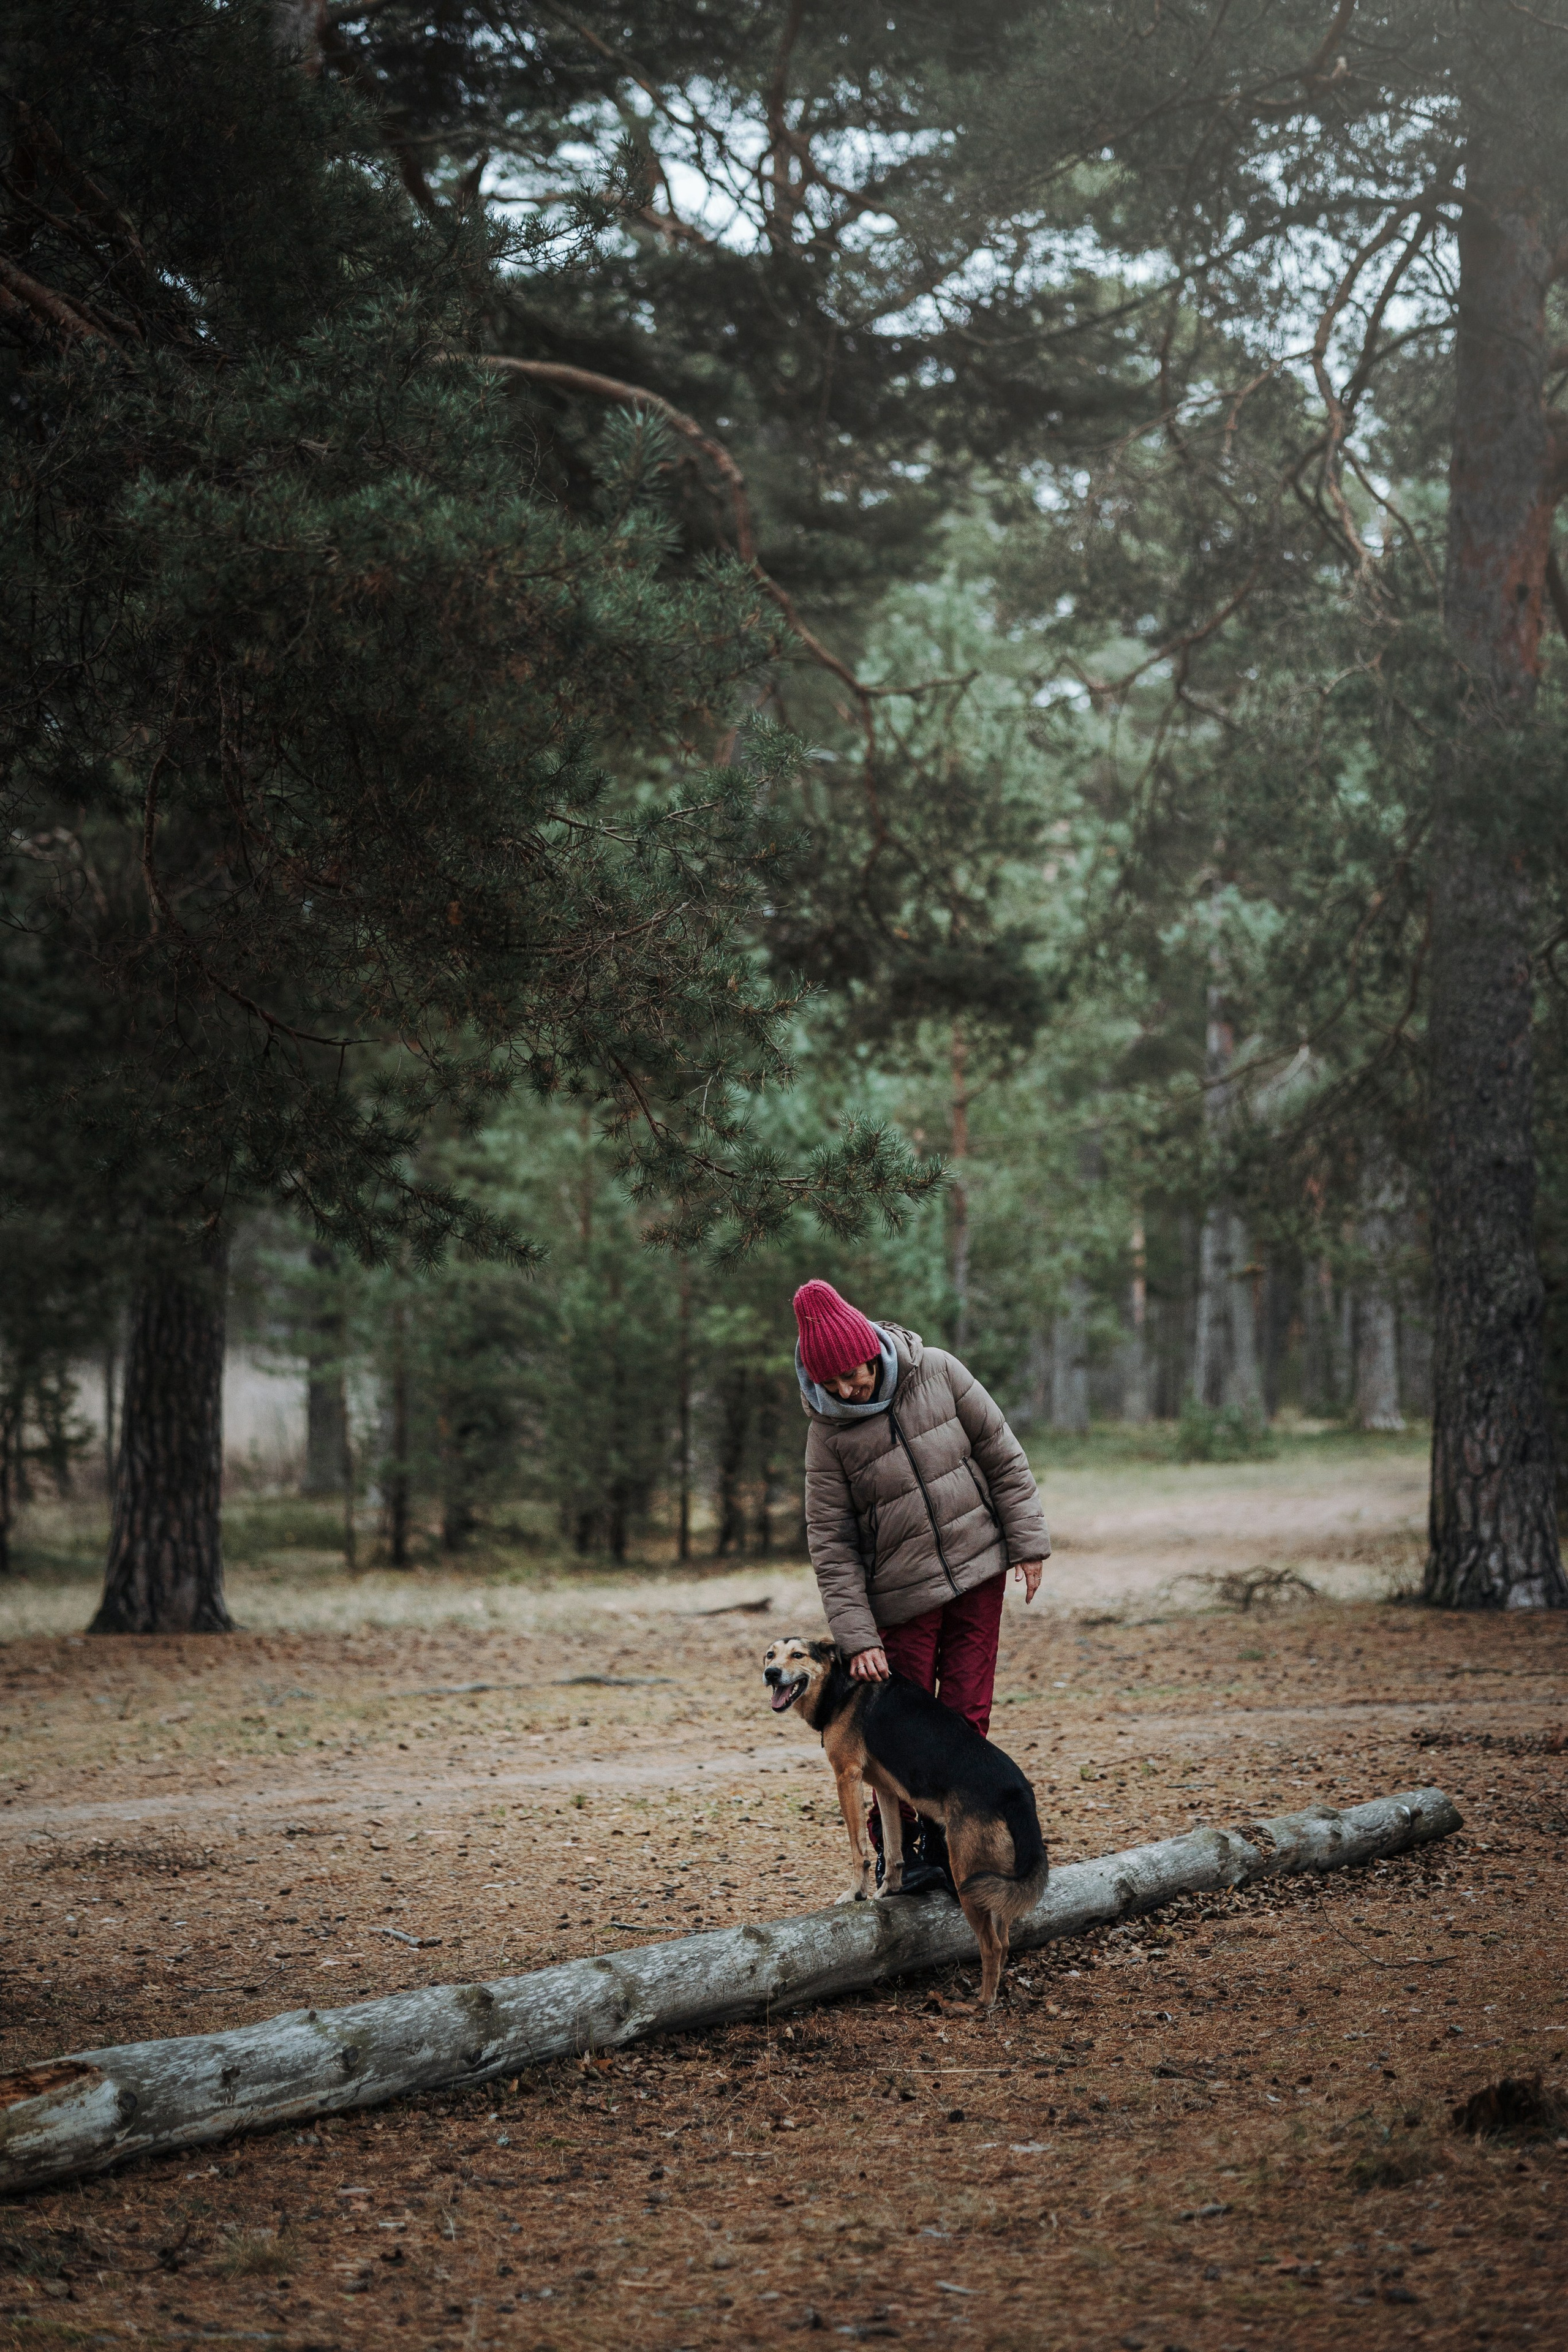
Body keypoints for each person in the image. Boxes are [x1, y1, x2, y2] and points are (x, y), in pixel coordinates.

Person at [793, 1278, 1049, 1891]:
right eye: (829, 1385)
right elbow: (831, 1545)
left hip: (978, 1575)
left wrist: (1028, 1541)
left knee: (966, 1716)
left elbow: (1001, 1454)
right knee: (898, 1735)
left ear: (870, 1349)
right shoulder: (827, 1437)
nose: (845, 1390)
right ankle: (900, 1858)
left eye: (850, 1375)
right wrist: (858, 1639)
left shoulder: (937, 1371)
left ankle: (952, 1846)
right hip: (901, 1602)